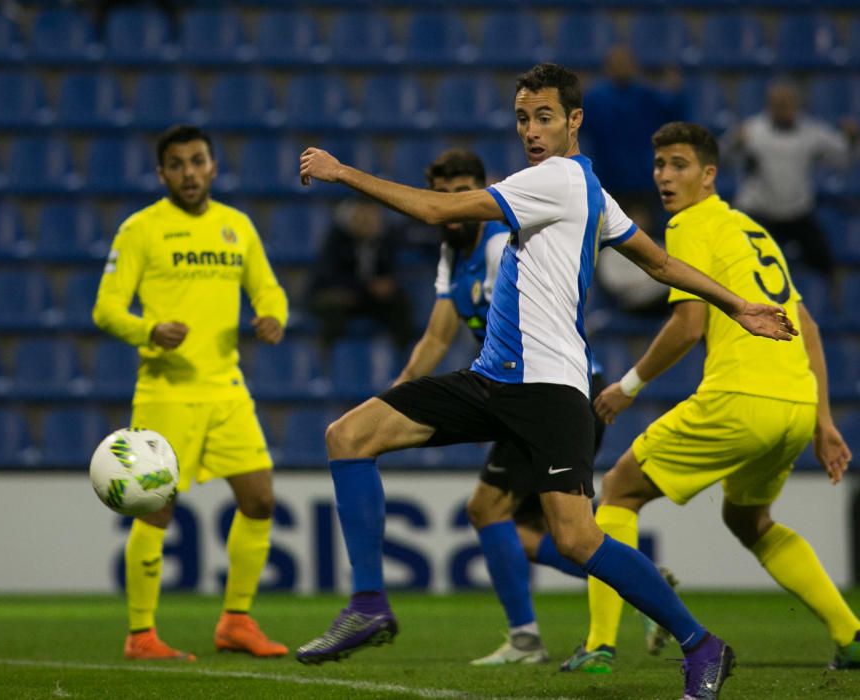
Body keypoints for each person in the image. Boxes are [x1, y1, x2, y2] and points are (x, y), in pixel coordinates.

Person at [296, 64, 797, 699]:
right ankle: (369, 602)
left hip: (550, 392)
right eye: (522, 119)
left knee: (576, 538)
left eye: (544, 118)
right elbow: (662, 263)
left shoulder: (554, 180)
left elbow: (435, 209)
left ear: (574, 121)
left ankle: (702, 645)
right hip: (494, 381)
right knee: (349, 436)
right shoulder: (591, 189)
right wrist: (737, 304)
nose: (531, 131)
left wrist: (345, 173)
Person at [567, 121, 859, 675]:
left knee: (618, 492)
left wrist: (627, 387)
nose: (665, 176)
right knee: (750, 521)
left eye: (678, 165)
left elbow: (687, 325)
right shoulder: (754, 231)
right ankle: (851, 635)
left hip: (739, 398)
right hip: (794, 404)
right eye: (659, 165)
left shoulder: (690, 225)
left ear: (709, 174)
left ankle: (598, 645)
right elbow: (808, 325)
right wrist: (821, 421)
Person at [395, 148, 605, 666]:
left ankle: (532, 636)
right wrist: (395, 401)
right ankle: (624, 585)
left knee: (496, 513)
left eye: (459, 191)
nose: (451, 203)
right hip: (524, 395)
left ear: (478, 188)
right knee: (532, 531)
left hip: (549, 393)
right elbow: (437, 336)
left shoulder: (499, 243)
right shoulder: (452, 252)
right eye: (442, 192)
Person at [93, 125, 289, 661]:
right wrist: (148, 330)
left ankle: (236, 621)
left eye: (197, 161)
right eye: (176, 164)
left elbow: (267, 287)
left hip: (226, 389)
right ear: (162, 174)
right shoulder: (141, 230)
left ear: (213, 166)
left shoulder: (236, 227)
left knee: (260, 499)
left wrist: (274, 315)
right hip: (166, 392)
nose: (188, 172)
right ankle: (140, 635)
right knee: (155, 510)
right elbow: (106, 308)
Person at [584, 45, 689, 316]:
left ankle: (656, 300)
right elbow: (573, 126)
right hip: (611, 186)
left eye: (626, 62)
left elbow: (677, 115)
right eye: (616, 63)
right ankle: (611, 303)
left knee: (649, 241)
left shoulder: (647, 96)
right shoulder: (595, 100)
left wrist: (675, 91)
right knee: (607, 246)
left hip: (645, 185)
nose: (622, 68)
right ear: (608, 67)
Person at [721, 78, 858, 277]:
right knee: (742, 266)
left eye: (787, 103)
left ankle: (835, 303)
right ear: (769, 105)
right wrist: (734, 143)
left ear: (796, 104)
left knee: (826, 264)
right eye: (778, 104)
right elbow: (724, 160)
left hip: (797, 212)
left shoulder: (812, 131)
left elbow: (843, 158)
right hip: (759, 212)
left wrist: (852, 139)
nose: (783, 108)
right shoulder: (752, 130)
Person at [307, 197, 415, 351]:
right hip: (340, 296)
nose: (367, 222)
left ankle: (405, 361)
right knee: (331, 312)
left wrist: (387, 285)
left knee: (401, 306)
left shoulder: (386, 239)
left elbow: (392, 270)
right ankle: (329, 362)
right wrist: (366, 287)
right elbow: (329, 275)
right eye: (362, 217)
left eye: (372, 217)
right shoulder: (336, 238)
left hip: (369, 298)